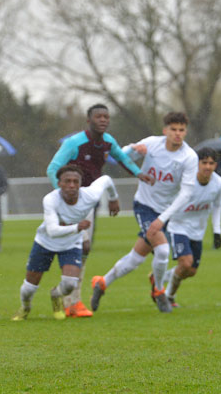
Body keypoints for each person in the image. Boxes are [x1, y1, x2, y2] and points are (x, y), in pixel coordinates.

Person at [46, 103, 155, 318]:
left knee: (83, 249)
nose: (103, 120)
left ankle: (69, 299)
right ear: (89, 120)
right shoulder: (75, 142)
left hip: (88, 202)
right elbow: (52, 168)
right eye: (99, 116)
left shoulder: (108, 142)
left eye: (106, 116)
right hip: (70, 206)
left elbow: (123, 158)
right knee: (78, 247)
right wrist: (63, 197)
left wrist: (138, 173)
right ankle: (68, 299)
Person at [90, 112, 198, 314]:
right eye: (173, 129)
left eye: (181, 130)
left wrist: (162, 219)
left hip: (164, 212)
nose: (177, 134)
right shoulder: (152, 144)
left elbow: (186, 194)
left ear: (185, 132)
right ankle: (158, 291)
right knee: (164, 251)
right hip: (144, 205)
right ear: (165, 130)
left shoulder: (189, 157)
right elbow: (119, 157)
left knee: (136, 259)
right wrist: (132, 149)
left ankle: (102, 283)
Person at [12, 165, 120, 321]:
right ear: (59, 183)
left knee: (69, 284)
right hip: (45, 243)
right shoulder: (50, 199)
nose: (72, 185)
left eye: (76, 181)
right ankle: (25, 307)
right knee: (29, 288)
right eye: (67, 181)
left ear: (81, 183)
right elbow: (52, 231)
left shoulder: (90, 195)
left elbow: (107, 180)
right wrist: (77, 227)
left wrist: (113, 198)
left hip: (71, 244)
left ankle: (56, 296)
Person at [156, 147, 221, 307]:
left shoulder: (219, 183)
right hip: (178, 226)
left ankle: (159, 277)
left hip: (198, 231)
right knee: (186, 263)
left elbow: (217, 205)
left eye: (212, 163)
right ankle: (168, 296)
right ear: (197, 163)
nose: (208, 167)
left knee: (191, 271)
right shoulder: (187, 180)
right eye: (204, 162)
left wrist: (217, 231)